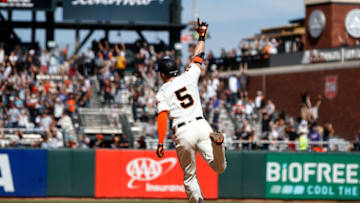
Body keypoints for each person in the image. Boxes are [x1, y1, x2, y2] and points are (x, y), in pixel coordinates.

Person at [155, 18, 227, 203]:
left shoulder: (163, 91)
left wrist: (161, 143)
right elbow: (198, 55)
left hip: (183, 131)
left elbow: (162, 117)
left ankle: (198, 200)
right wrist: (201, 35)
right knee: (219, 168)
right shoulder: (189, 76)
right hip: (202, 125)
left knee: (189, 176)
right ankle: (218, 144)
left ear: (163, 75)